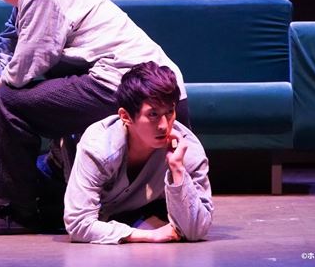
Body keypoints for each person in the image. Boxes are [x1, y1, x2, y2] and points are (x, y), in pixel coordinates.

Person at [0, 0, 190, 234]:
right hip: (118, 86)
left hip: (140, 89)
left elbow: (12, 81)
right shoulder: (23, 6)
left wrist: (3, 84)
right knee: (11, 103)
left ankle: (17, 210)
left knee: (9, 103)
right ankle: (26, 201)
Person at [64, 61, 213, 244]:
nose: (164, 125)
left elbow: (196, 230)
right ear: (126, 117)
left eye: (169, 112)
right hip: (56, 183)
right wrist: (149, 235)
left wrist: (177, 170)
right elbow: (78, 224)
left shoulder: (187, 150)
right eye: (153, 114)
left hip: (122, 210)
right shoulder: (99, 147)